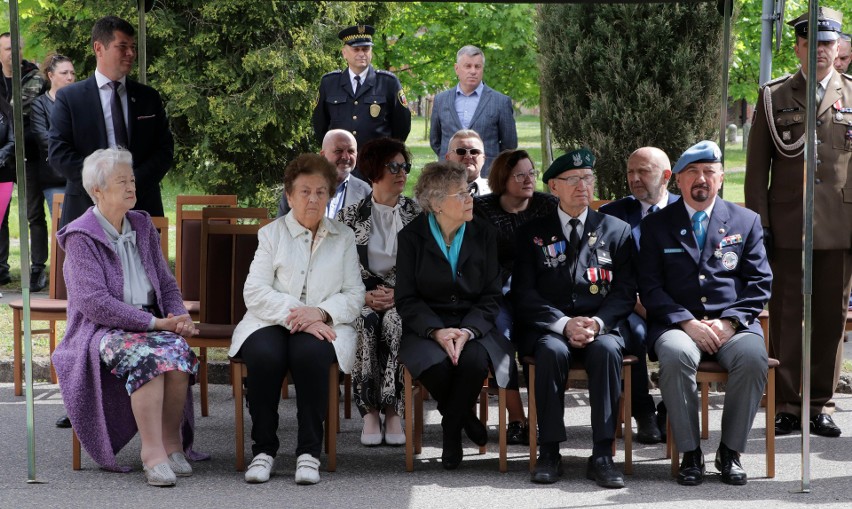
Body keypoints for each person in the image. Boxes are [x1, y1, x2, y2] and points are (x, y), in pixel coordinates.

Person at [52, 148, 205, 486]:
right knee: (147, 356)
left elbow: (166, 283)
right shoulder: (81, 236)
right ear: (97, 190)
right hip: (100, 329)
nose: (131, 187)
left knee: (178, 353)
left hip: (151, 322)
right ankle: (151, 456)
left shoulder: (141, 223)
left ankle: (171, 444)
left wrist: (178, 316)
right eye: (121, 181)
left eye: (132, 179)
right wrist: (154, 324)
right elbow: (95, 303)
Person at [641, 141, 771, 486]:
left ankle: (730, 453)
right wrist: (686, 321)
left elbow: (760, 282)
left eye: (709, 172)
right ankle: (690, 453)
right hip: (678, 325)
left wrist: (729, 322)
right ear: (679, 180)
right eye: (693, 173)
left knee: (753, 357)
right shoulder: (657, 225)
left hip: (734, 324)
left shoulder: (746, 220)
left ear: (721, 177)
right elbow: (650, 287)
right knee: (674, 354)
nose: (702, 179)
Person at [745, 7, 849, 438]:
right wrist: (760, 225)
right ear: (799, 47)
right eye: (811, 44)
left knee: (830, 319)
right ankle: (787, 403)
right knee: (787, 316)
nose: (819, 52)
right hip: (788, 224)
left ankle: (819, 403)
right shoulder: (774, 96)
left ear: (838, 48)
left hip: (841, 226)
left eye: (827, 45)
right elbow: (755, 172)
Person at [230, 154, 364, 485]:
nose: (313, 199)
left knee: (311, 353)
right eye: (304, 191)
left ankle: (308, 453)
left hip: (323, 324)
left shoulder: (344, 237)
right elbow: (255, 292)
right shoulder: (271, 234)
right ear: (289, 195)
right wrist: (299, 313)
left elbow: (354, 294)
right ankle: (264, 450)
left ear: (330, 196)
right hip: (269, 321)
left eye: (321, 192)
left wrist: (319, 313)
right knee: (263, 354)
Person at [512, 149, 635, 489]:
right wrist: (564, 324)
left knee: (608, 352)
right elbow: (523, 293)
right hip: (552, 327)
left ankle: (602, 454)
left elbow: (625, 292)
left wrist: (596, 325)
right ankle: (550, 451)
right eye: (574, 179)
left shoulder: (617, 231)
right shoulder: (532, 233)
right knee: (551, 352)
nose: (584, 185)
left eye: (588, 178)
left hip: (601, 327)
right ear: (553, 186)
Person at [396, 161, 512, 470]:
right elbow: (406, 299)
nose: (470, 198)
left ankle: (450, 428)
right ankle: (464, 418)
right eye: (460, 193)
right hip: (426, 328)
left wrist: (468, 331)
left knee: (473, 362)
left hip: (473, 325)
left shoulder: (484, 233)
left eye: (469, 191)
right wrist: (436, 330)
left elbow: (491, 294)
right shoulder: (411, 237)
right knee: (436, 367)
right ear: (435, 203)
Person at [49, 15, 173, 229]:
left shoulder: (148, 97)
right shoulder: (70, 98)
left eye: (132, 47)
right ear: (99, 48)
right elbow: (59, 152)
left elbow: (164, 150)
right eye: (122, 46)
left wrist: (130, 184)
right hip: (86, 208)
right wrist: (103, 185)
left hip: (142, 206)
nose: (131, 53)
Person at [336, 137, 421, 446]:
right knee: (368, 322)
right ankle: (370, 410)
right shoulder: (347, 217)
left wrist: (400, 295)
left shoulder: (419, 215)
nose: (402, 173)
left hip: (407, 297)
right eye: (393, 166)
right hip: (363, 296)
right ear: (373, 171)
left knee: (395, 322)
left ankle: (393, 410)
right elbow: (338, 273)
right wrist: (363, 297)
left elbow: (428, 270)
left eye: (405, 166)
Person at [473, 148, 557, 445]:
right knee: (502, 339)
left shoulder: (548, 206)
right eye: (519, 174)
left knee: (544, 343)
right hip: (498, 293)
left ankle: (544, 419)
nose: (528, 180)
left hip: (539, 293)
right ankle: (518, 420)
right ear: (502, 178)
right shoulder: (481, 209)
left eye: (531, 173)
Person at [599, 146, 679, 444]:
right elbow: (605, 271)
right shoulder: (612, 214)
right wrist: (638, 304)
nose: (634, 178)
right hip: (630, 305)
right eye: (630, 172)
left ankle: (669, 409)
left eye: (643, 172)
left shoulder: (684, 212)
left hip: (676, 307)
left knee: (687, 338)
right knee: (635, 331)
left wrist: (666, 309)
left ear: (666, 176)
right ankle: (642, 410)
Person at [311, 25, 411, 154]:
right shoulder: (329, 83)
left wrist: (389, 153)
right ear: (344, 53)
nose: (361, 54)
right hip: (341, 161)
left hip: (376, 161)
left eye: (365, 49)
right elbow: (320, 124)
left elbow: (402, 125)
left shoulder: (388, 82)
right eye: (356, 49)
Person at [0, 32, 48, 291]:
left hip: (29, 153)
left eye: (15, 48)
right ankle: (1, 268)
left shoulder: (36, 77)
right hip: (1, 157)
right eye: (7, 49)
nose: (12, 53)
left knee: (33, 212)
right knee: (1, 213)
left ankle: (38, 267)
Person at [430, 45, 518, 176]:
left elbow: (509, 144)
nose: (473, 71)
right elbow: (435, 141)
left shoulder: (501, 102)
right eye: (468, 66)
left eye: (477, 66)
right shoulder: (441, 100)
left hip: (487, 176)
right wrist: (455, 157)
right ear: (457, 68)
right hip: (448, 176)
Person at [277, 129, 370, 218]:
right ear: (323, 155)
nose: (346, 157)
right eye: (339, 151)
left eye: (351, 151)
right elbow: (281, 229)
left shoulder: (365, 192)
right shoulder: (296, 185)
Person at [30, 53, 76, 218]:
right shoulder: (40, 104)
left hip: (82, 178)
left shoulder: (80, 102)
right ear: (50, 75)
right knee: (63, 226)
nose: (70, 77)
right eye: (64, 73)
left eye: (72, 73)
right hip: (55, 177)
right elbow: (44, 139)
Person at [445, 129, 489, 196]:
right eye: (461, 151)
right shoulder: (433, 192)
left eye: (474, 152)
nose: (468, 156)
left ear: (483, 158)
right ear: (448, 158)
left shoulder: (497, 191)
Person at [0, 96, 15, 290]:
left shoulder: (5, 109)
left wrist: (1, 155)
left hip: (2, 173)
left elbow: (13, 139)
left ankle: (1, 268)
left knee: (1, 221)